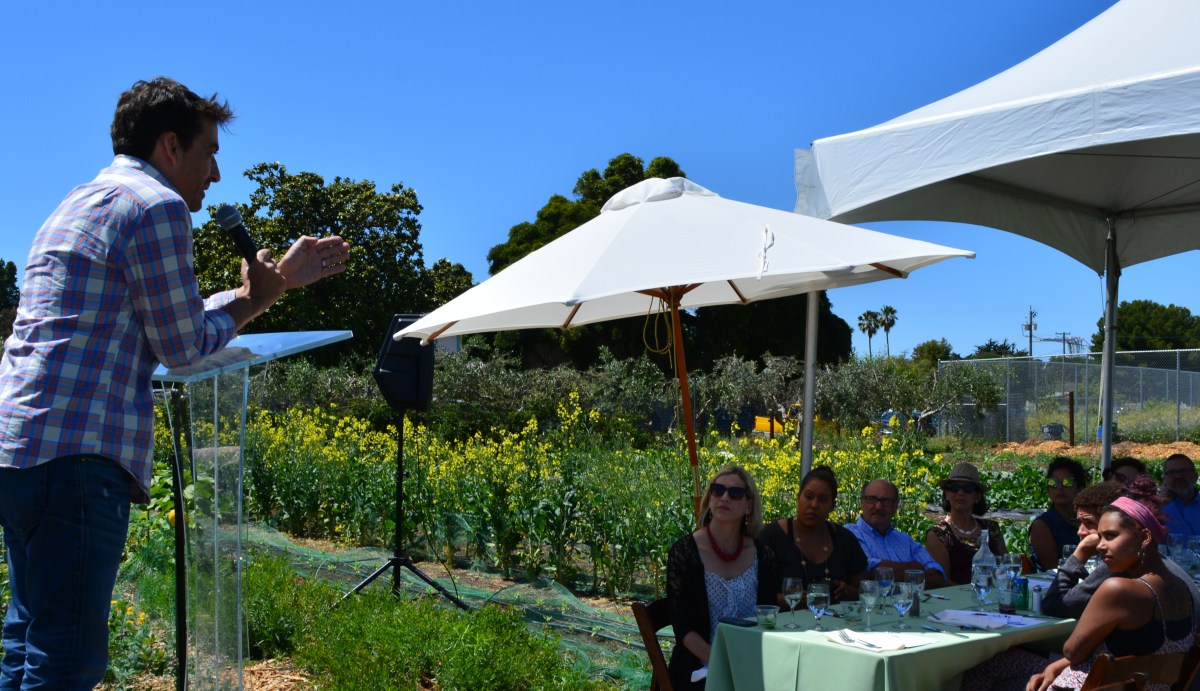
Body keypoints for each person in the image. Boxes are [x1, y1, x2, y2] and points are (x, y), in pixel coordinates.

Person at [0, 77, 350, 689]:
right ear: (171, 146)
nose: (215, 173)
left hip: (20, 449)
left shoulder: (81, 201)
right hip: (78, 460)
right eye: (209, 151)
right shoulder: (156, 207)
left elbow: (162, 318)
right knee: (66, 657)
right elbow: (184, 346)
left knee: (26, 635)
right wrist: (253, 302)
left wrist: (268, 289)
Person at [964, 479, 1194, 691]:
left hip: (1083, 685)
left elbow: (1072, 650)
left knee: (984, 669)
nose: (1101, 546)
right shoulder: (1180, 587)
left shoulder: (1118, 589)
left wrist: (1061, 663)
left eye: (1110, 536)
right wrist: (1058, 665)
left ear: (1144, 537)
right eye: (1100, 536)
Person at [666, 465, 778, 690]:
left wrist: (748, 663)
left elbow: (768, 616)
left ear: (748, 506)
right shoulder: (684, 552)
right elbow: (684, 628)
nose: (724, 497)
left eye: (735, 493)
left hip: (752, 661)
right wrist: (723, 662)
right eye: (718, 490)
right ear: (709, 499)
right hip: (699, 669)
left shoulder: (762, 554)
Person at [1043, 479, 1200, 625]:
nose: (1080, 532)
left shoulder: (1122, 567)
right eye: (1079, 523)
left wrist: (1080, 553)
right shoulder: (1156, 562)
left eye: (1089, 523)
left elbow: (1054, 606)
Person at [758, 466, 867, 603]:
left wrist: (846, 592)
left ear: (832, 506)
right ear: (798, 498)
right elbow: (754, 595)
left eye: (822, 499)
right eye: (808, 497)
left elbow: (865, 591)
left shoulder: (845, 539)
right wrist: (790, 601)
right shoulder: (770, 537)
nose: (814, 505)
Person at [844, 479, 946, 588]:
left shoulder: (905, 540)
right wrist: (915, 567)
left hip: (907, 604)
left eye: (886, 501)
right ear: (861, 503)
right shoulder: (850, 533)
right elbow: (869, 573)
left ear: (896, 506)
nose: (878, 506)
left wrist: (893, 574)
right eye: (872, 499)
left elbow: (938, 576)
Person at [925, 462, 1007, 585]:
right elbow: (943, 581)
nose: (960, 493)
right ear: (946, 494)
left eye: (968, 489)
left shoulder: (992, 528)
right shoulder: (938, 534)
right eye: (954, 488)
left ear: (978, 496)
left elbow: (1005, 567)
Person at [1028, 457, 1087, 571]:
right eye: (1053, 483)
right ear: (1048, 490)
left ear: (1080, 488)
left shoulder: (1091, 521)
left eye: (1067, 482)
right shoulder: (1042, 525)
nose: (1060, 487)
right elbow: (1055, 570)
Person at [1161, 453, 1200, 537]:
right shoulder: (1157, 510)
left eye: (1184, 471)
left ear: (1196, 476)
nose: (1178, 476)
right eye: (1172, 472)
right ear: (1164, 479)